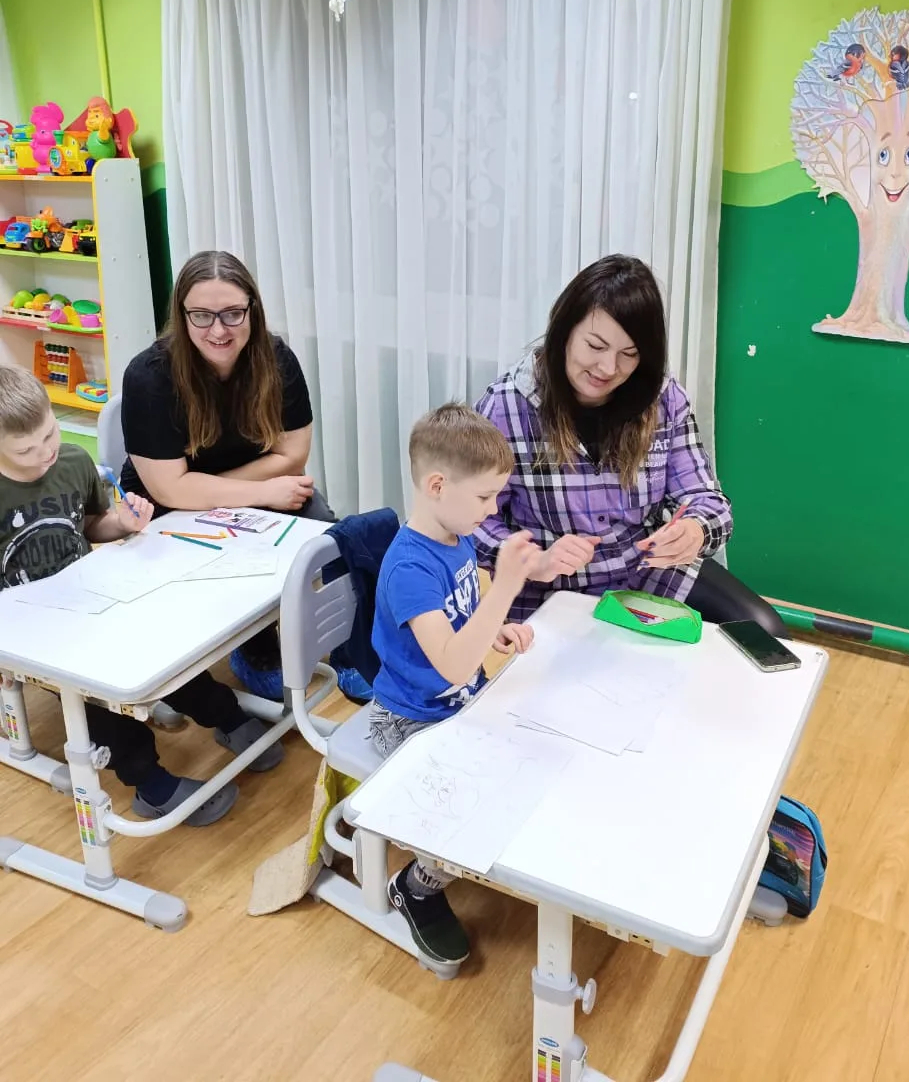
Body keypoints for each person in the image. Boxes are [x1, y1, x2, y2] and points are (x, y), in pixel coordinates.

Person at [0, 367, 282, 826]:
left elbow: (89, 526)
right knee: (93, 700)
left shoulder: (71, 462)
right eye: (25, 450)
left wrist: (122, 524)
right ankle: (151, 785)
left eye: (49, 433)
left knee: (164, 650)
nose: (44, 452)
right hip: (32, 633)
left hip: (91, 598)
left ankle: (226, 717)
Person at [474, 254, 786, 635]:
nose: (608, 368)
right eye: (595, 346)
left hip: (648, 573)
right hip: (553, 589)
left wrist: (695, 531)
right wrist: (535, 561)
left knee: (766, 631)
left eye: (629, 354)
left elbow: (709, 500)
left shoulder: (663, 399)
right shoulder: (507, 406)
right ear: (564, 331)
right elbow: (467, 521)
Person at [118, 250, 345, 701]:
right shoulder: (149, 377)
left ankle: (344, 645)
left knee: (326, 532)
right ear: (182, 315)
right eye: (201, 315)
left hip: (233, 488)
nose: (218, 330)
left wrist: (229, 488)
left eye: (232, 313)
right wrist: (261, 490)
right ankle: (255, 647)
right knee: (236, 557)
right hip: (165, 509)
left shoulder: (276, 360)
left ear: (252, 310)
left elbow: (294, 454)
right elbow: (169, 489)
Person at [369, 404, 539, 970]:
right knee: (468, 813)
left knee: (528, 770)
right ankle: (416, 887)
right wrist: (506, 589)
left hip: (457, 706)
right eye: (485, 497)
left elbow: (461, 621)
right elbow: (453, 667)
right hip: (408, 718)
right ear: (438, 486)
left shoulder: (455, 535)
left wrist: (496, 627)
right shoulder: (410, 568)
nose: (493, 510)